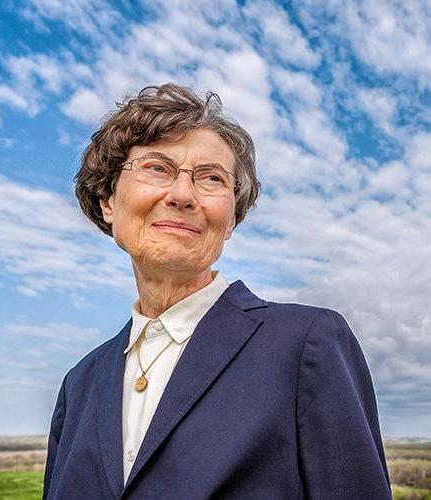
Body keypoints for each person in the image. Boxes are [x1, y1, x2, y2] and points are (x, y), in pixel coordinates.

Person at [43, 84, 392, 499]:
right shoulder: (79, 383)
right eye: (157, 168)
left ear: (231, 219)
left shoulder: (306, 344)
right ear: (108, 201)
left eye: (211, 178)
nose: (182, 195)